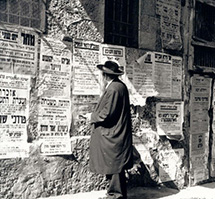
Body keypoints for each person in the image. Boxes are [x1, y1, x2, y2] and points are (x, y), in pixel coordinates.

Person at [89, 61, 133, 199]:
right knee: (114, 165)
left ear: (105, 75)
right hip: (117, 132)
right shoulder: (119, 86)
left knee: (114, 165)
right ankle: (114, 194)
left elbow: (107, 113)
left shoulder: (114, 88)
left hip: (114, 133)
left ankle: (115, 195)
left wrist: (92, 116)